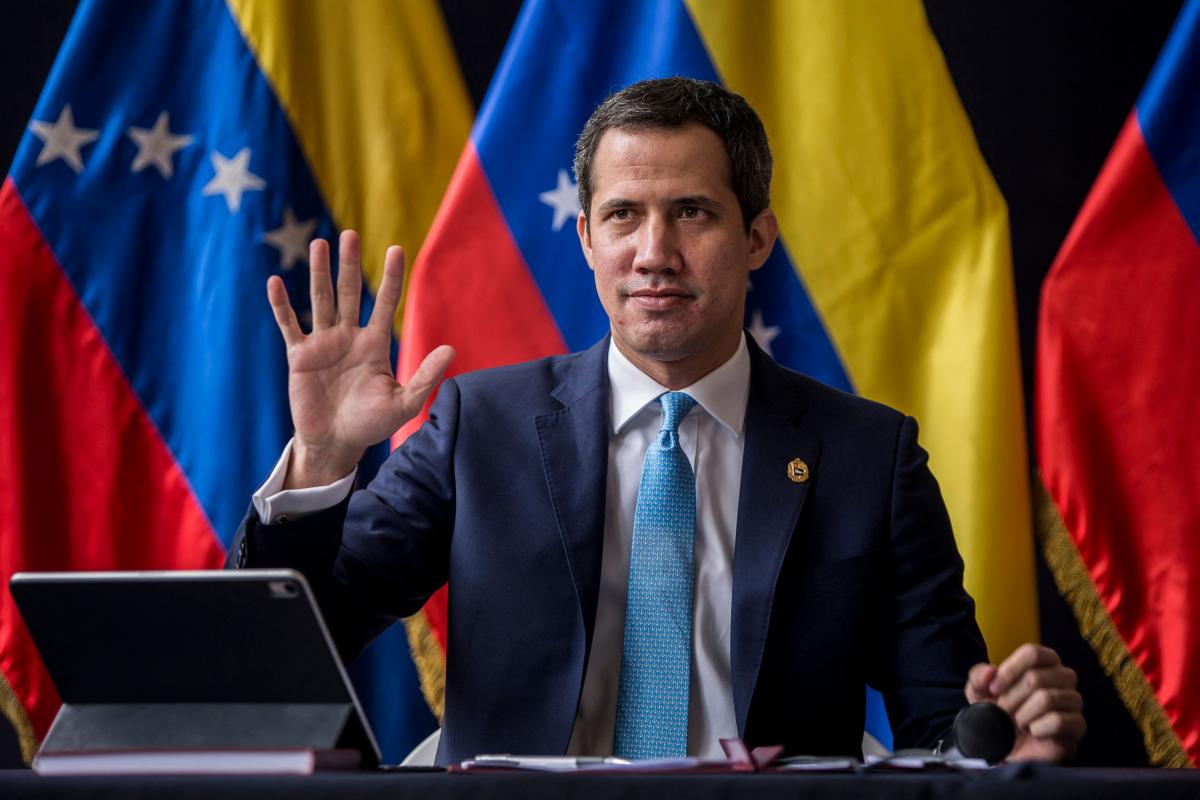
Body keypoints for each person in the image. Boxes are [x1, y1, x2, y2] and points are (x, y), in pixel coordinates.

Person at [230, 78, 1085, 765]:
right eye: (623, 216)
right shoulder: (477, 426)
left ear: (757, 237)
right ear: (586, 239)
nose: (654, 254)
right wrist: (324, 458)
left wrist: (1002, 740)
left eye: (693, 213)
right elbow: (301, 643)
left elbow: (943, 723)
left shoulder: (870, 455)